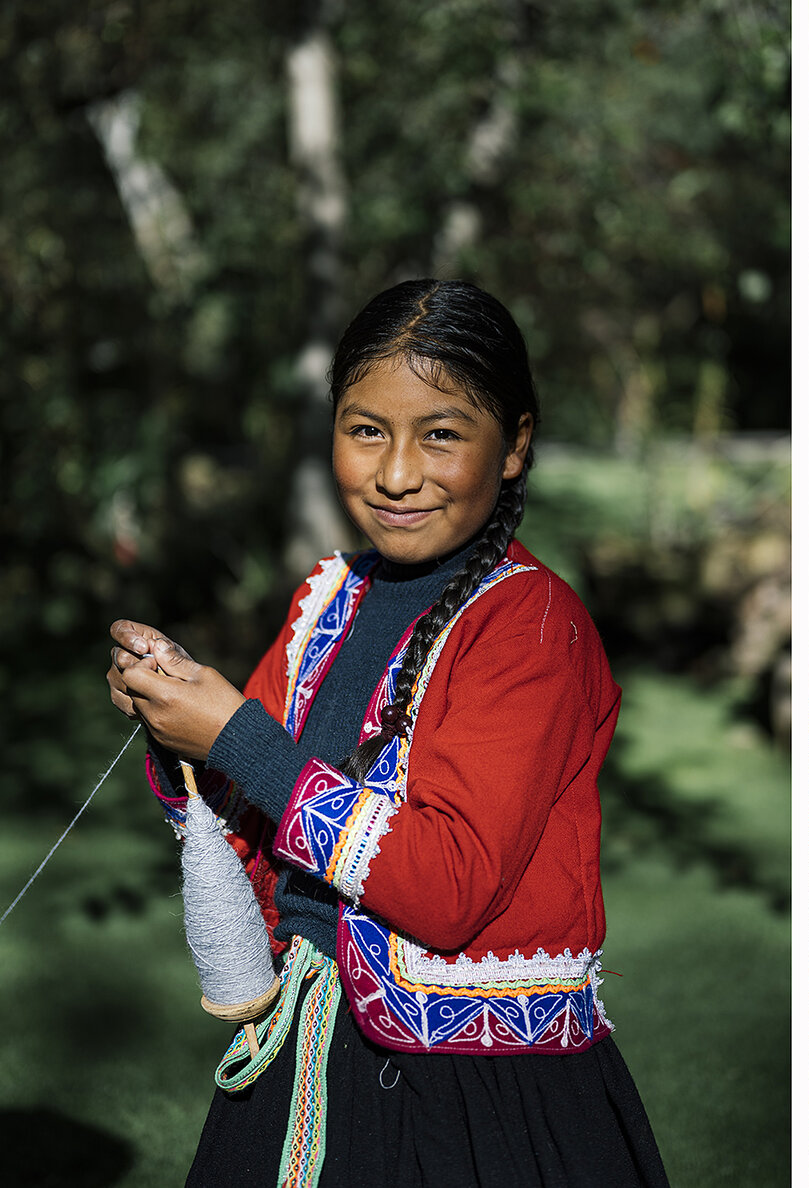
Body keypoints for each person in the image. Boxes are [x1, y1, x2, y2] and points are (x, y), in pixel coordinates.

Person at [106, 279, 670, 1187]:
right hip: (301, 1059)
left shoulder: (532, 629)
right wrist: (180, 727)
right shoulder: (328, 600)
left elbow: (448, 887)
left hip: (469, 1105)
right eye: (365, 429)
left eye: (441, 434)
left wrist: (234, 736)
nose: (397, 472)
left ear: (516, 444)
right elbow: (255, 816)